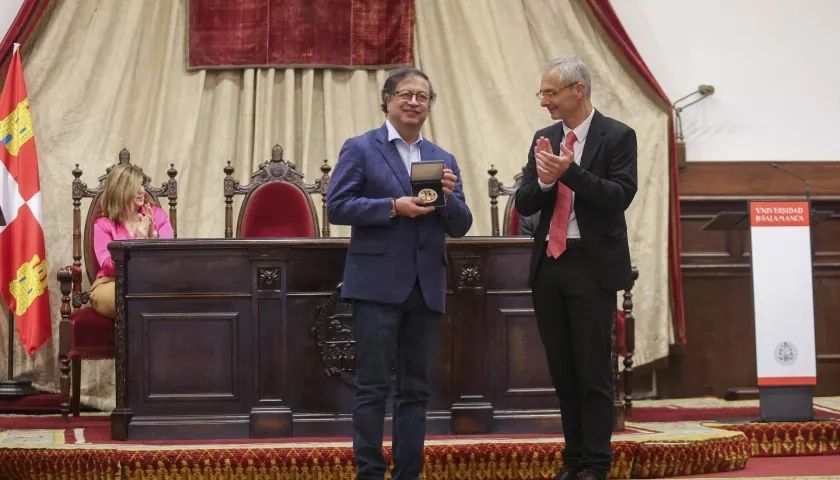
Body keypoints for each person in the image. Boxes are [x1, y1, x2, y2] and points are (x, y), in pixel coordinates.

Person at [326, 67, 472, 480]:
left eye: (422, 96)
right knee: (372, 387)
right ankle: (369, 472)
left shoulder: (442, 158)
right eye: (405, 94)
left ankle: (410, 473)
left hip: (427, 288)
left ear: (429, 105)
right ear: (388, 100)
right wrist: (393, 206)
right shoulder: (361, 148)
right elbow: (338, 206)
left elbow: (460, 225)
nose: (413, 102)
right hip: (376, 286)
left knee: (416, 391)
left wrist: (448, 197)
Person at [514, 56, 637, 480]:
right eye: (543, 92)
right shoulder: (544, 137)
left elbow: (619, 195)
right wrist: (547, 181)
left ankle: (597, 462)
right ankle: (574, 459)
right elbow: (526, 201)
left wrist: (571, 174)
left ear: (577, 90)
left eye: (551, 92)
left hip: (592, 264)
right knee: (563, 371)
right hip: (550, 262)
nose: (544, 100)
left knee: (592, 371)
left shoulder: (618, 135)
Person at [90, 163, 174, 318]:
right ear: (120, 190)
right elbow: (108, 266)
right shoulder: (103, 225)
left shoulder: (158, 216)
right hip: (112, 283)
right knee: (132, 297)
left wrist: (152, 239)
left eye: (142, 184)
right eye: (136, 186)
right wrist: (138, 243)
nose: (142, 190)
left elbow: (168, 258)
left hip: (151, 284)